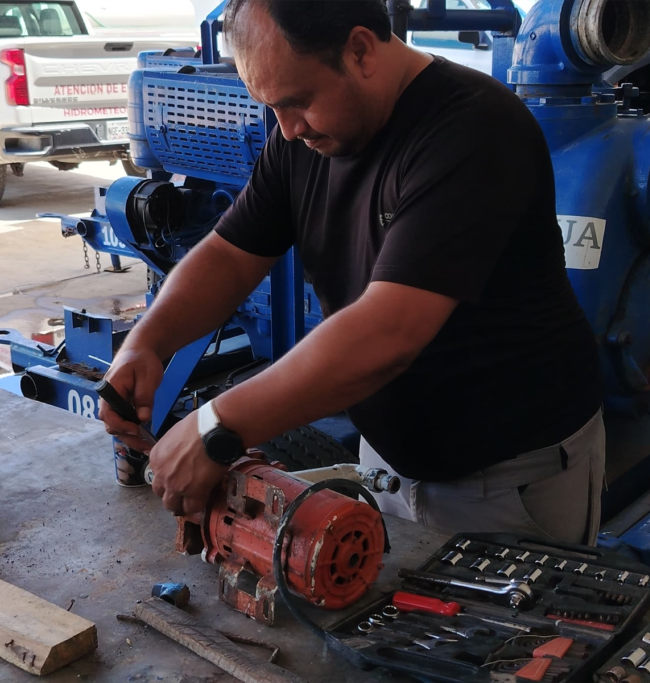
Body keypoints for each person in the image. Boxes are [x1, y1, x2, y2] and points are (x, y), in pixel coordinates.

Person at [98, 0, 605, 544]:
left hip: (506, 484)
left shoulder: (474, 129)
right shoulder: (303, 136)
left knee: (518, 631)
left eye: (296, 102)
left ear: (360, 49)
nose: (287, 130)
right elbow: (229, 253)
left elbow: (388, 333)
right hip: (387, 465)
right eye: (271, 108)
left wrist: (218, 428)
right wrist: (147, 342)